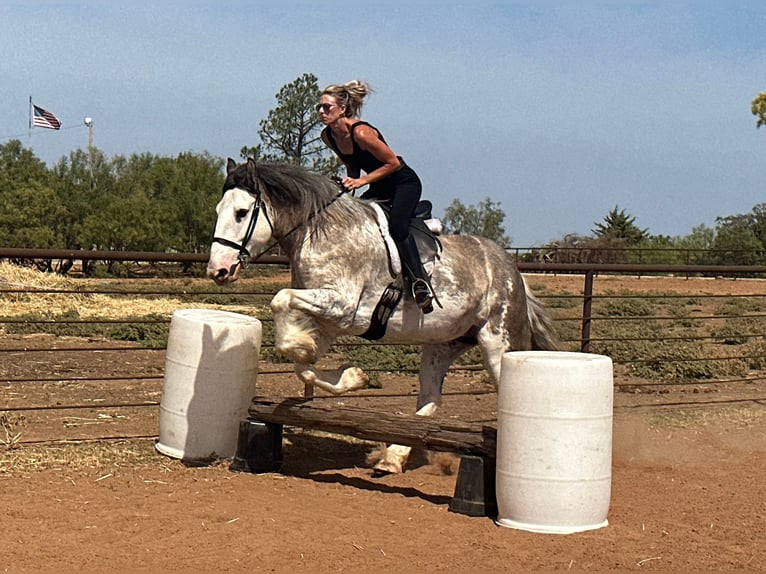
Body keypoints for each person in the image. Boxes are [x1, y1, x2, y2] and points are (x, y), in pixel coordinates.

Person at [317, 80, 433, 313]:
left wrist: (361, 182)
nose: (321, 112)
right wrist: (345, 187)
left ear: (342, 109)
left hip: (403, 183)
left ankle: (420, 283)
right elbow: (352, 166)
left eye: (327, 107)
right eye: (319, 107)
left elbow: (393, 163)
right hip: (379, 185)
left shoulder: (361, 132)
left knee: (398, 228)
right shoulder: (328, 136)